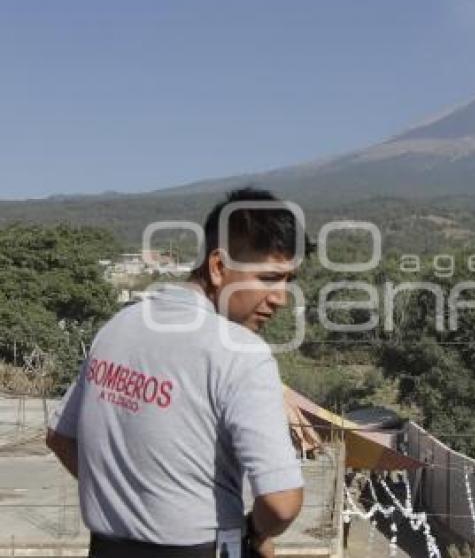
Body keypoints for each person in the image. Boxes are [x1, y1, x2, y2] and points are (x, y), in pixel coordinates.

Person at [46, 188, 311, 558]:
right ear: (219, 267)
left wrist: (131, 503)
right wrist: (253, 533)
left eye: (287, 281)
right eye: (268, 278)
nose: (281, 297)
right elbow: (283, 502)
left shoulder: (119, 326)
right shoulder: (242, 353)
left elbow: (61, 437)